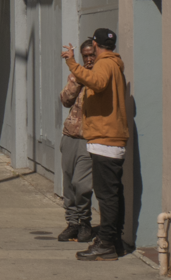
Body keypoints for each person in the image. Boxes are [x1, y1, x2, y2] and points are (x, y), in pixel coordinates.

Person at [62, 28, 128, 261]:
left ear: (97, 46)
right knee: (113, 194)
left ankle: (106, 244)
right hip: (110, 140)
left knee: (106, 195)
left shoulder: (104, 64)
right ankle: (114, 241)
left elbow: (97, 83)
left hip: (104, 141)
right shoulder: (114, 63)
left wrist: (72, 63)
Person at [58, 40, 97, 243]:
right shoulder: (78, 74)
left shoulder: (100, 76)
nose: (89, 59)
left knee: (81, 184)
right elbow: (65, 100)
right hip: (70, 135)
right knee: (68, 184)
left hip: (88, 139)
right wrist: (77, 79)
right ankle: (72, 223)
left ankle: (85, 222)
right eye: (85, 56)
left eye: (92, 55)